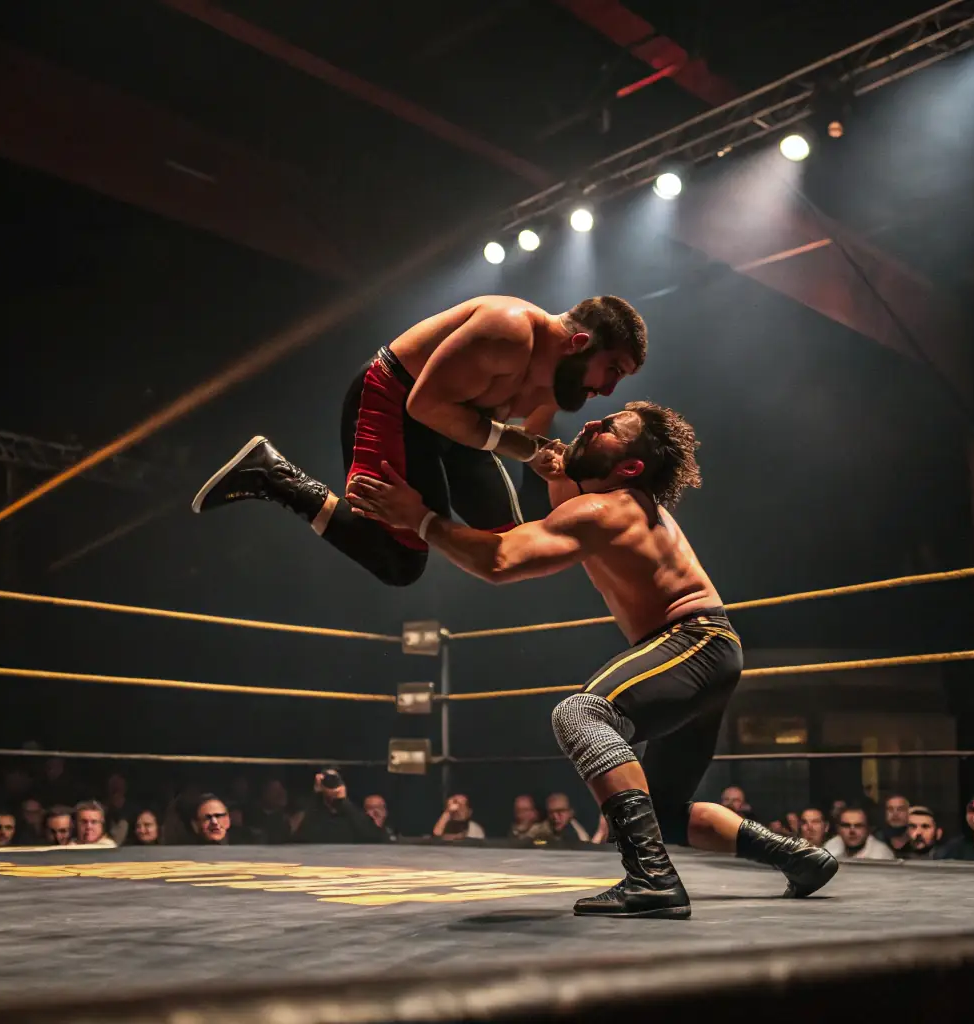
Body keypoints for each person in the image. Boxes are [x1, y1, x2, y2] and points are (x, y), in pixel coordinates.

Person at [348, 401, 836, 919]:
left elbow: (500, 560)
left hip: (691, 643)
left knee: (580, 715)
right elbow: (564, 515)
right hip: (705, 652)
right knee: (664, 812)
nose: (591, 422)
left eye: (609, 429)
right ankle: (799, 857)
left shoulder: (611, 509)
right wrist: (554, 466)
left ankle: (650, 878)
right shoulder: (622, 508)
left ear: (628, 467)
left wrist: (419, 519)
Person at [191, 295, 647, 587]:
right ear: (580, 342)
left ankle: (414, 522)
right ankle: (273, 475)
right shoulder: (507, 331)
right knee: (401, 563)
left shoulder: (564, 381)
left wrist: (541, 460)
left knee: (510, 540)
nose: (608, 391)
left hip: (463, 426)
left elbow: (530, 441)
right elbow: (425, 406)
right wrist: (424, 518)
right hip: (398, 401)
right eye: (612, 371)